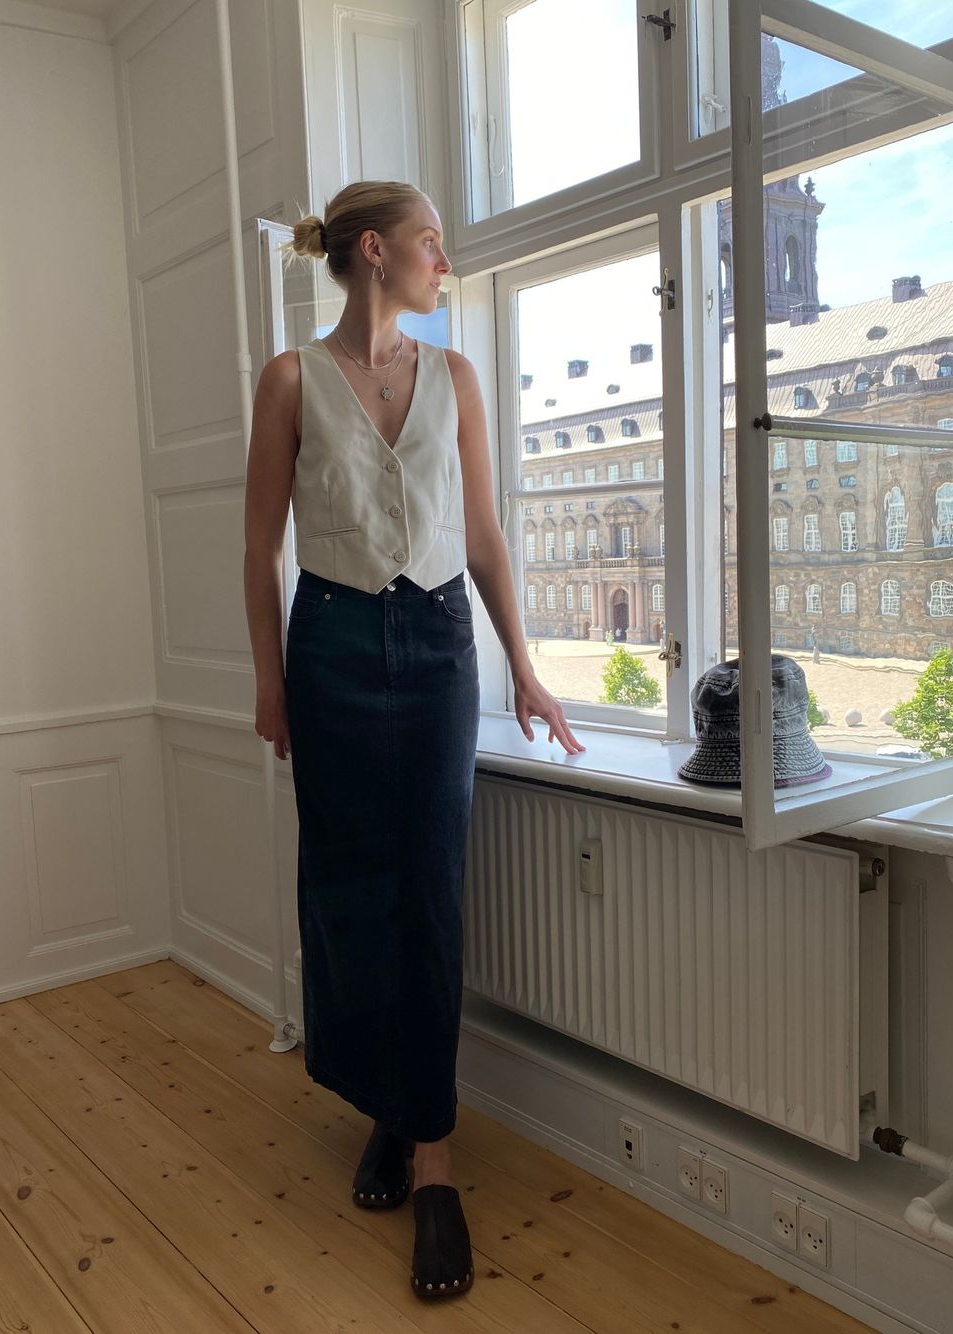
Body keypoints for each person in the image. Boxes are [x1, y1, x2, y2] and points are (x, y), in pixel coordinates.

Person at [243, 179, 585, 1303]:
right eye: (434, 242)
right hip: (331, 648)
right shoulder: (290, 380)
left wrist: (523, 664)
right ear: (377, 250)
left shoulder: (457, 378)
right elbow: (259, 550)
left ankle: (431, 1155)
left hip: (438, 649)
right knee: (348, 890)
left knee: (429, 888)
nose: (448, 262)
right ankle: (387, 1108)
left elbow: (482, 535)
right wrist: (270, 681)